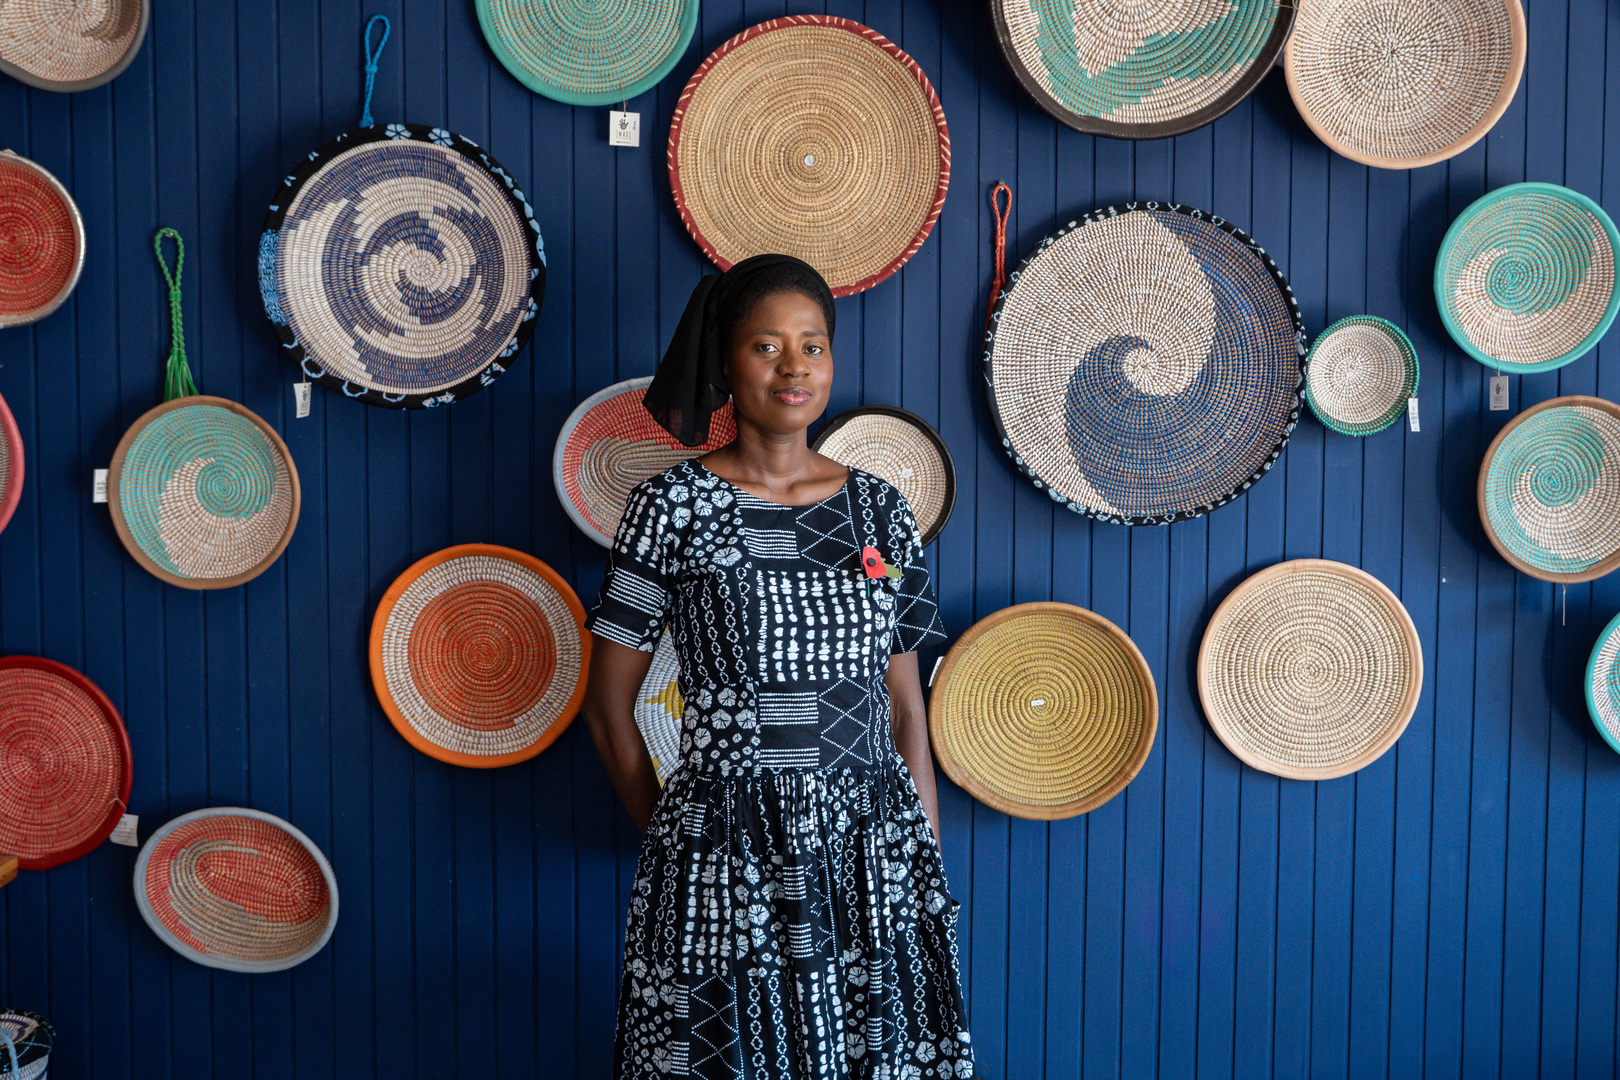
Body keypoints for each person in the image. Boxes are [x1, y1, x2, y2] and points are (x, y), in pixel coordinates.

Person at [581, 254, 975, 1079]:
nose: (794, 366)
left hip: (867, 849)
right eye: (767, 346)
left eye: (813, 345)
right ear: (726, 361)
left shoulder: (879, 509)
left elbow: (905, 710)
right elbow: (610, 705)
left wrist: (919, 860)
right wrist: (674, 842)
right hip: (725, 847)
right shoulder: (671, 507)